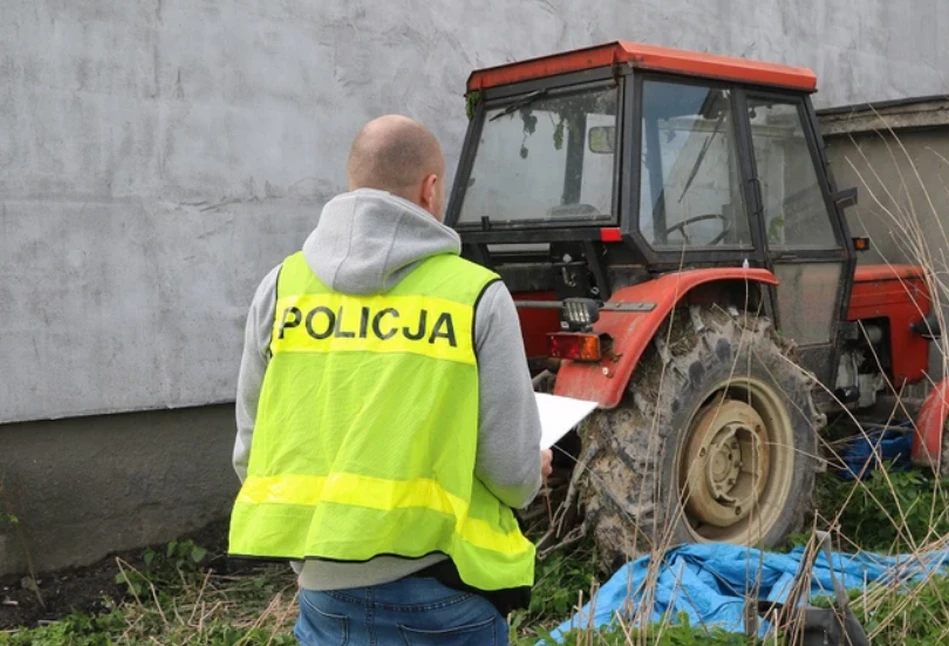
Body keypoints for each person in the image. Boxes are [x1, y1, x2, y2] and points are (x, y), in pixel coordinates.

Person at [228, 114, 552, 645]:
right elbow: (512, 476)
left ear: (352, 180)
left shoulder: (281, 288)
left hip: (323, 596)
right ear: (430, 188)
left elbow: (251, 456)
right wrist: (530, 468)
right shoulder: (475, 295)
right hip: (445, 592)